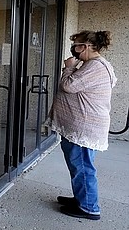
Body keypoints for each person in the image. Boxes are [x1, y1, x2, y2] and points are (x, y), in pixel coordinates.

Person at [44, 30, 117, 220]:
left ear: (85, 47)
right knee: (79, 167)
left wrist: (69, 68)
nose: (74, 48)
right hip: (80, 127)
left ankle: (88, 207)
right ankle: (81, 199)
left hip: (84, 129)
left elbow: (69, 86)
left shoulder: (96, 66)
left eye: (76, 44)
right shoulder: (92, 65)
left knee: (83, 167)